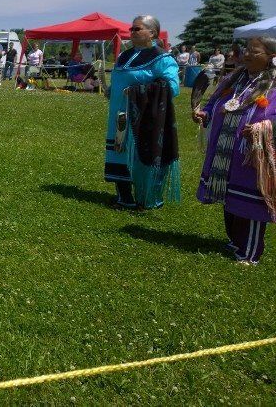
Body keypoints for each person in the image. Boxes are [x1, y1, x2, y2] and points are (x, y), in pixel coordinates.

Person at [194, 37, 276, 264]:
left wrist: (264, 127)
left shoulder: (273, 83)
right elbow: (215, 102)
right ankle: (235, 240)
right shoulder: (236, 78)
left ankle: (249, 252)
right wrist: (205, 113)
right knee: (230, 194)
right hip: (227, 147)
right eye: (246, 50)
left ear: (271, 57)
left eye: (254, 52)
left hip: (254, 152)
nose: (247, 54)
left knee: (250, 200)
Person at [104, 15, 180, 209]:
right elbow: (122, 79)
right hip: (119, 114)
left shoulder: (162, 58)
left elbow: (172, 87)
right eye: (131, 29)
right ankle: (124, 197)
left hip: (142, 117)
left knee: (139, 154)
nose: (132, 32)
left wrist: (139, 92)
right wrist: (112, 89)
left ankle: (148, 197)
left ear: (152, 33)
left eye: (137, 29)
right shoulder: (124, 56)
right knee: (119, 150)